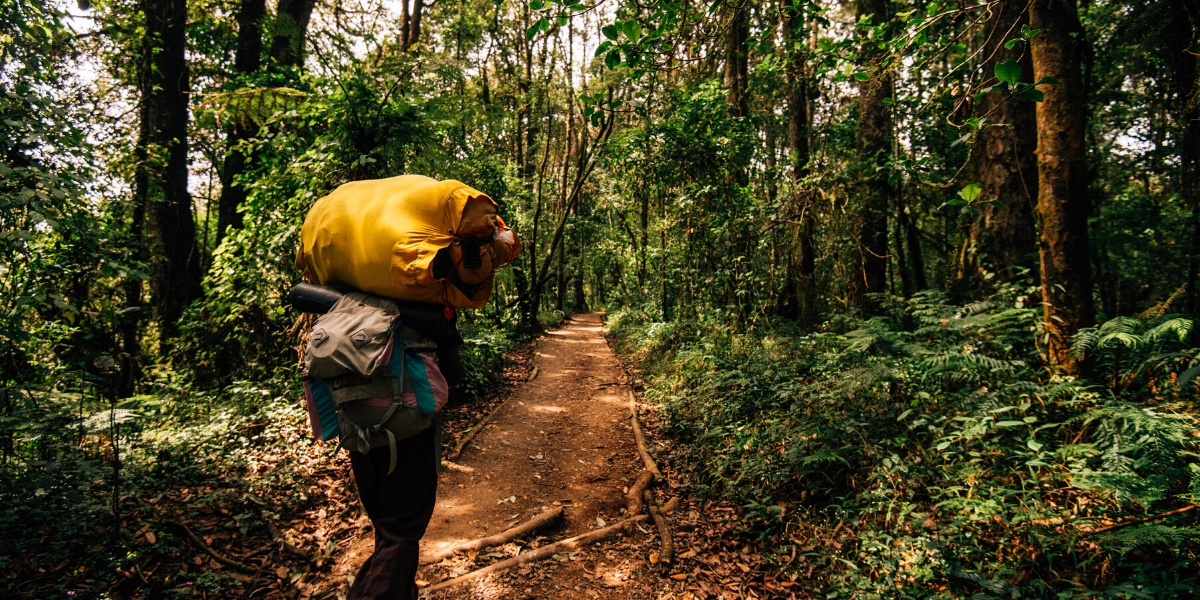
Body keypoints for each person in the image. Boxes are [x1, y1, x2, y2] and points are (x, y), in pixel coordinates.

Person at [345, 303, 464, 600]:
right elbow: (454, 371)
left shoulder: (343, 301)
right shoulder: (422, 298)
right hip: (407, 430)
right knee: (401, 532)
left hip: (356, 428)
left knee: (387, 528)